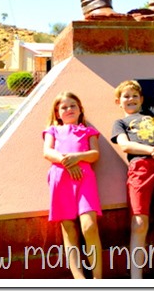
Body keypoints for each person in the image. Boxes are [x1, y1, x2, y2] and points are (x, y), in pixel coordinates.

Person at [111, 79, 154, 279]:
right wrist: (153, 151)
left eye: (134, 95)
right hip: (140, 169)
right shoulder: (120, 123)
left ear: (141, 99)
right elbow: (125, 146)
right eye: (126, 96)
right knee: (139, 223)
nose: (130, 99)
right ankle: (136, 279)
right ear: (119, 101)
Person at [43, 91, 103, 279]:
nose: (69, 109)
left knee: (89, 226)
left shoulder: (88, 131)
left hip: (84, 179)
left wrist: (78, 158)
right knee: (69, 228)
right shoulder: (52, 130)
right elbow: (47, 152)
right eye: (64, 107)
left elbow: (94, 154)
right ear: (57, 113)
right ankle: (79, 279)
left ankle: (98, 279)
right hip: (61, 178)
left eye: (72, 106)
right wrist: (66, 162)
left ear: (80, 109)